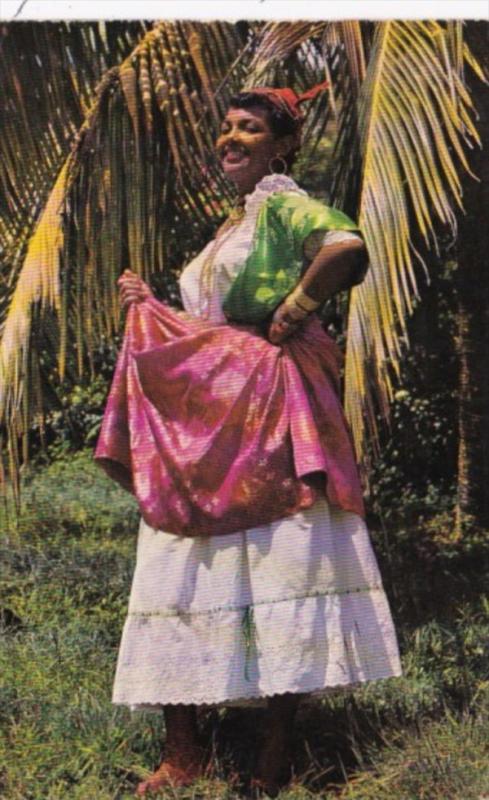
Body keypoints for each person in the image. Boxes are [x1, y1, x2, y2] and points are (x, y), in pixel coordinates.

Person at [106, 85, 402, 797]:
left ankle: (276, 750)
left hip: (269, 404)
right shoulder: (229, 226)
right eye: (226, 127)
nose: (230, 139)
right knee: (180, 560)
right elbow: (214, 320)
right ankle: (184, 754)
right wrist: (152, 310)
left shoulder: (283, 203)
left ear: (283, 144)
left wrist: (295, 309)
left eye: (248, 129)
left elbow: (345, 250)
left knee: (279, 563)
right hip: (209, 413)